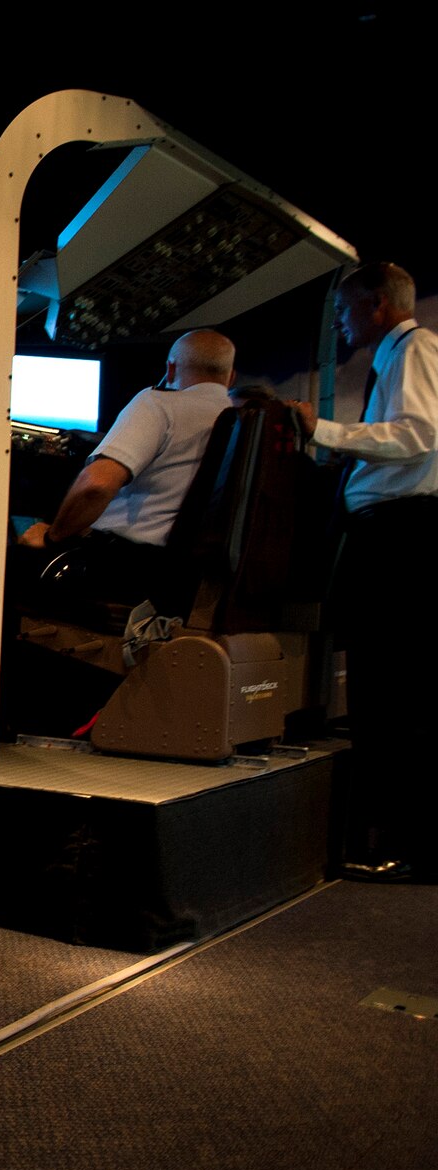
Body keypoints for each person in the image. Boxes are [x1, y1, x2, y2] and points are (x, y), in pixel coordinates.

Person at [289, 262, 436, 882]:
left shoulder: (417, 348)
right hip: (394, 534)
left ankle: (403, 845)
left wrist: (322, 429)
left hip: (401, 536)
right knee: (388, 690)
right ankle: (399, 841)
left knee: (393, 692)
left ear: (376, 305)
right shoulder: (400, 354)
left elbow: (418, 434)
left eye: (347, 311)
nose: (343, 325)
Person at [17, 329, 237, 605]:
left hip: (121, 571)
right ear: (231, 377)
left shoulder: (158, 404)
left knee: (9, 564)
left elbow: (96, 486)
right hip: (188, 580)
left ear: (170, 369)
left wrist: (52, 537)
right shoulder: (240, 422)